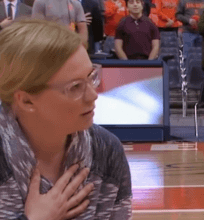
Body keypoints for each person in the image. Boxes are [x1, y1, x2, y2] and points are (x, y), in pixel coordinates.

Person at [0, 19, 132, 219]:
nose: (93, 95)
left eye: (91, 76)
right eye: (75, 87)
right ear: (26, 101)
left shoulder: (107, 151)